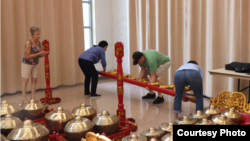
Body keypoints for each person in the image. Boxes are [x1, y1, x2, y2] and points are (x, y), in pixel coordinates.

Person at [21, 26, 49, 103]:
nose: (39, 36)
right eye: (37, 34)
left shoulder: (39, 43)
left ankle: (32, 98)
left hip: (35, 64)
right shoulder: (28, 42)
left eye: (39, 34)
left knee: (34, 80)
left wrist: (44, 54)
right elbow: (28, 56)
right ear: (32, 35)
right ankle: (24, 99)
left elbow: (38, 55)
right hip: (27, 63)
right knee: (25, 81)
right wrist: (39, 53)